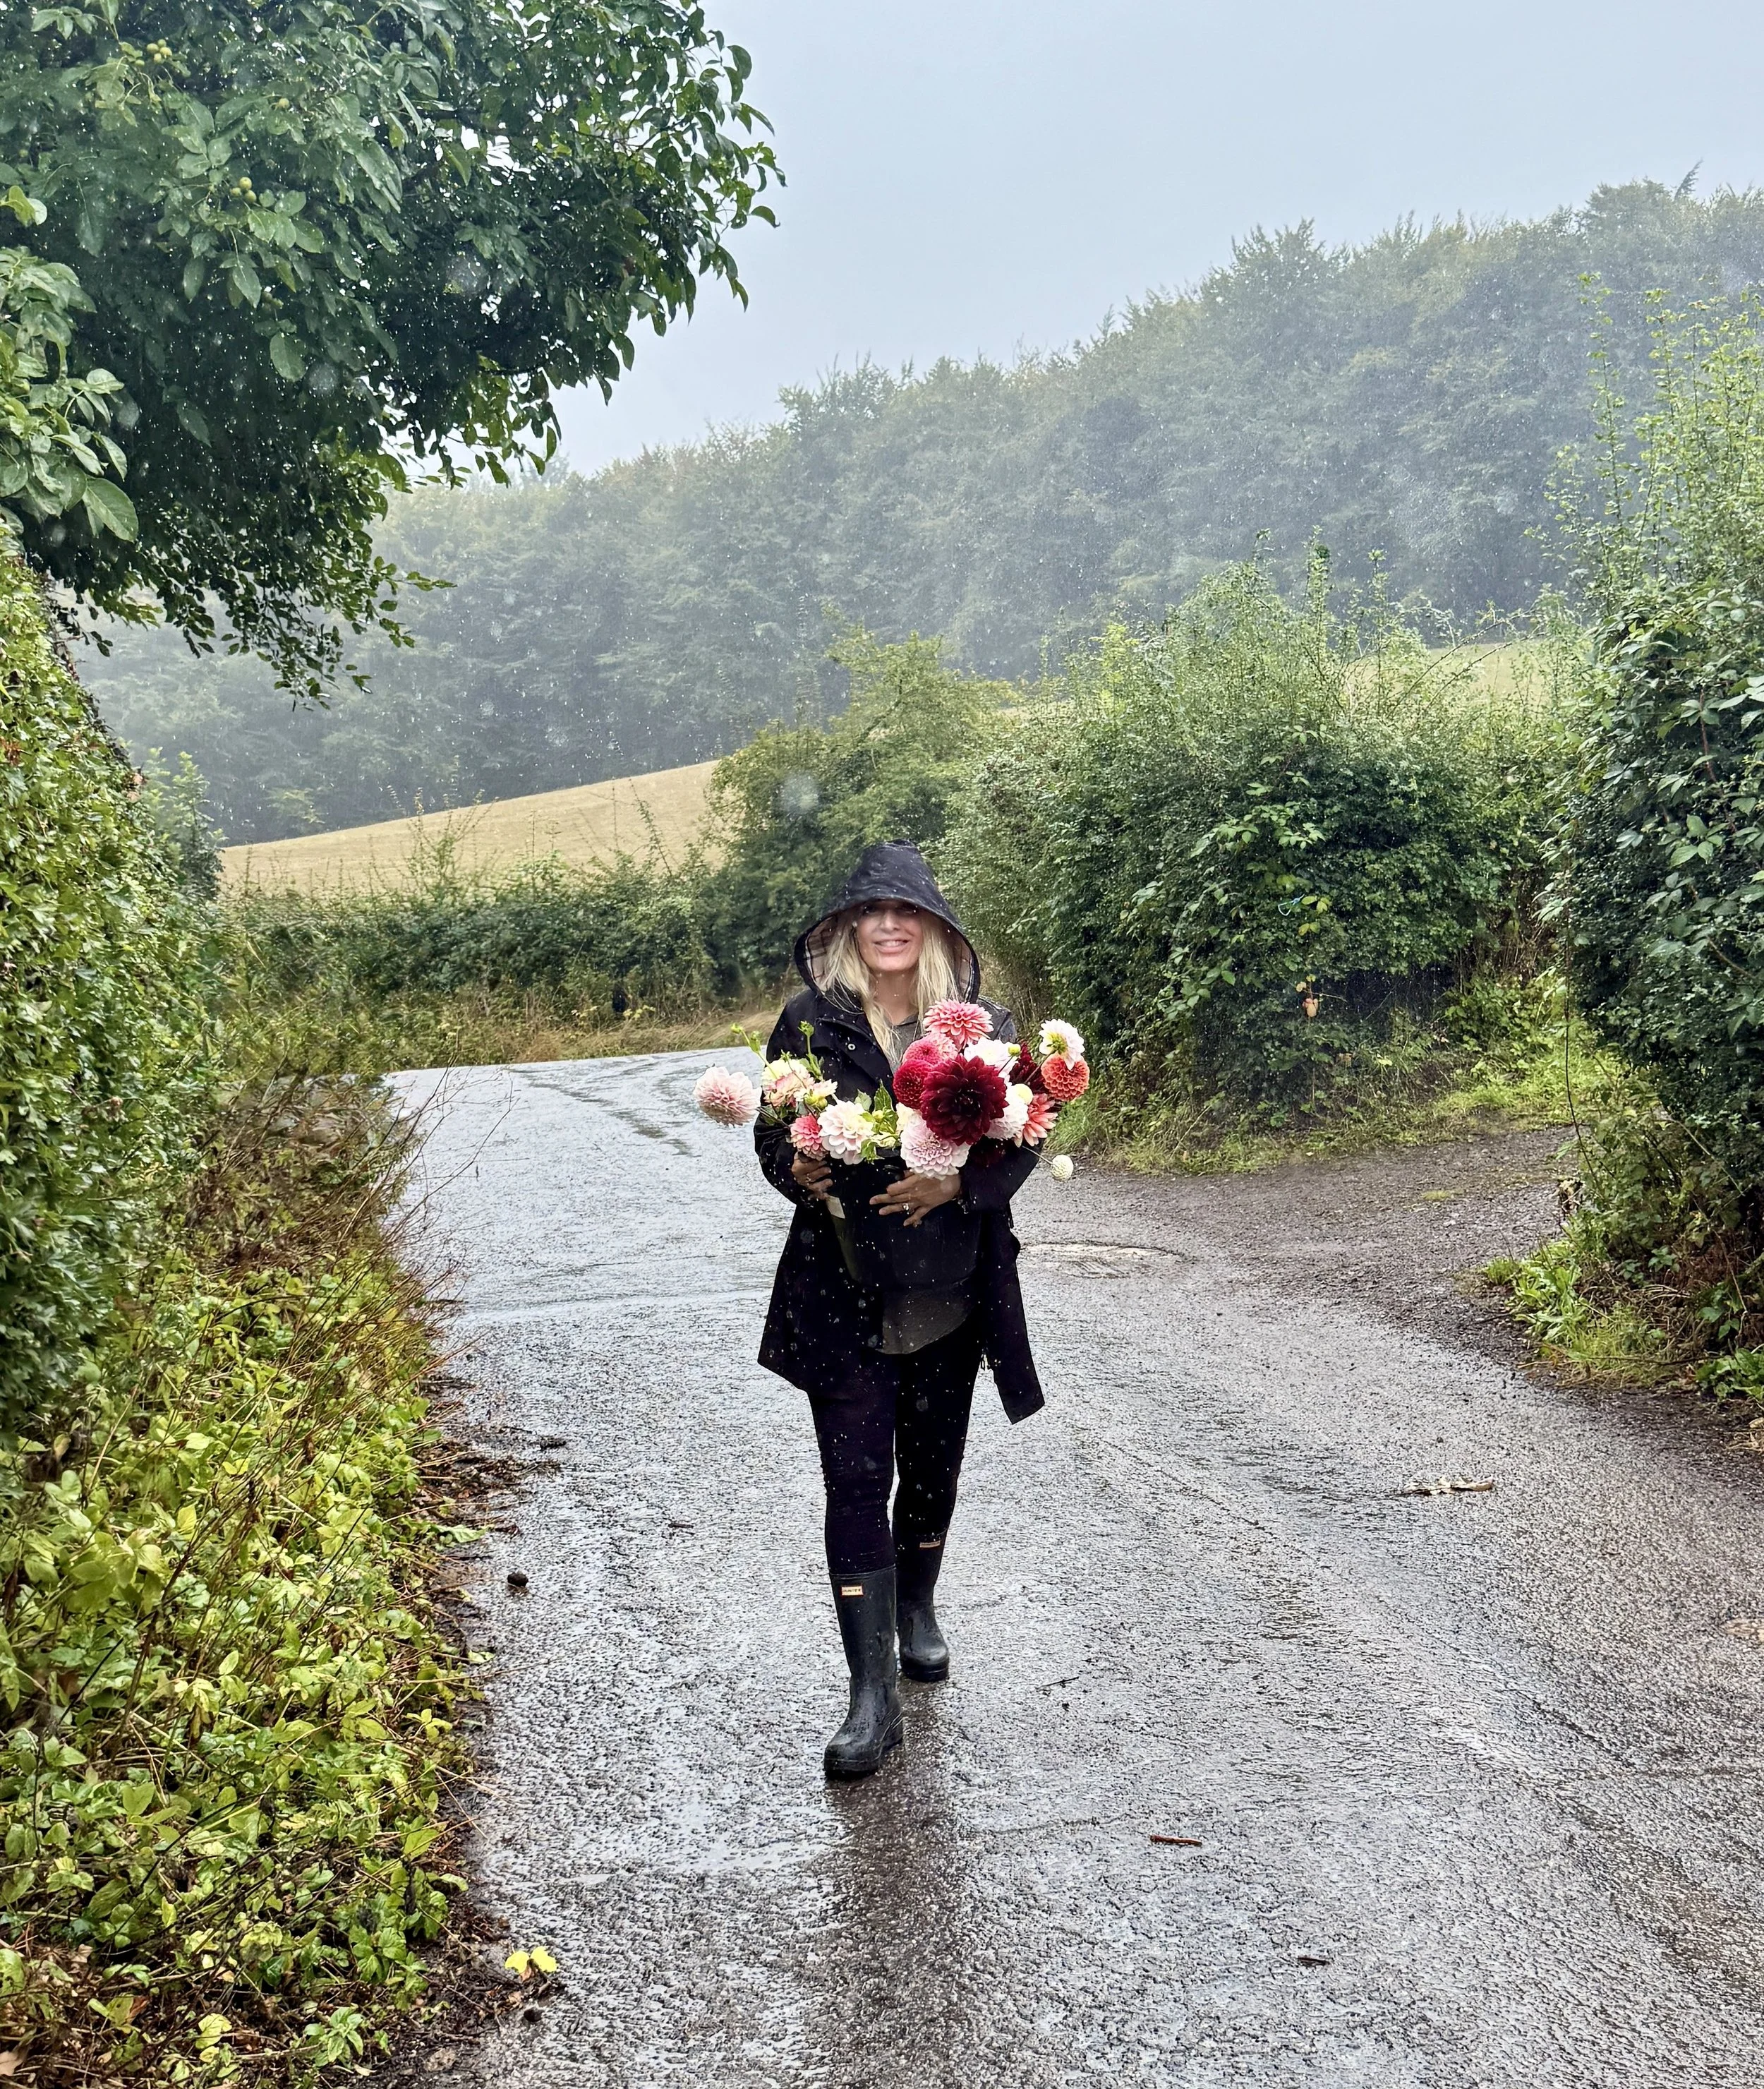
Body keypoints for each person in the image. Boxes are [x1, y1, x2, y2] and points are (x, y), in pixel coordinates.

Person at [754, 839, 1044, 1781]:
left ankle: (916, 1604)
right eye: (869, 914)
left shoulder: (980, 1028)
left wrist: (952, 1192)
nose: (886, 927)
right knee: (852, 1481)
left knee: (928, 1474)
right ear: (845, 931)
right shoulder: (808, 1022)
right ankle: (870, 1700)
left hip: (949, 1297)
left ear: (931, 929)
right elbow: (771, 1131)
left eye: (904, 912)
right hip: (839, 1293)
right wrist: (792, 1169)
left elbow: (1027, 1136)